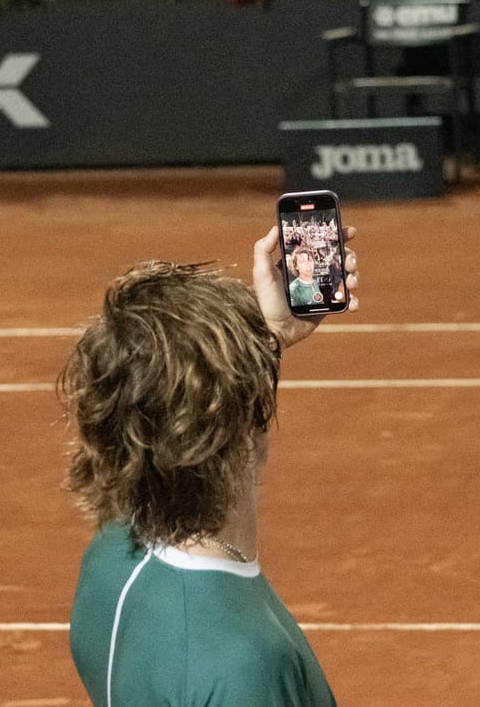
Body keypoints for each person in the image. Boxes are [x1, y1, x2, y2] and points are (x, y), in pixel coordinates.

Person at [58, 224, 359, 707]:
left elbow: (169, 394)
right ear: (239, 424)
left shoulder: (112, 554)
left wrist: (272, 335)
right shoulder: (246, 664)